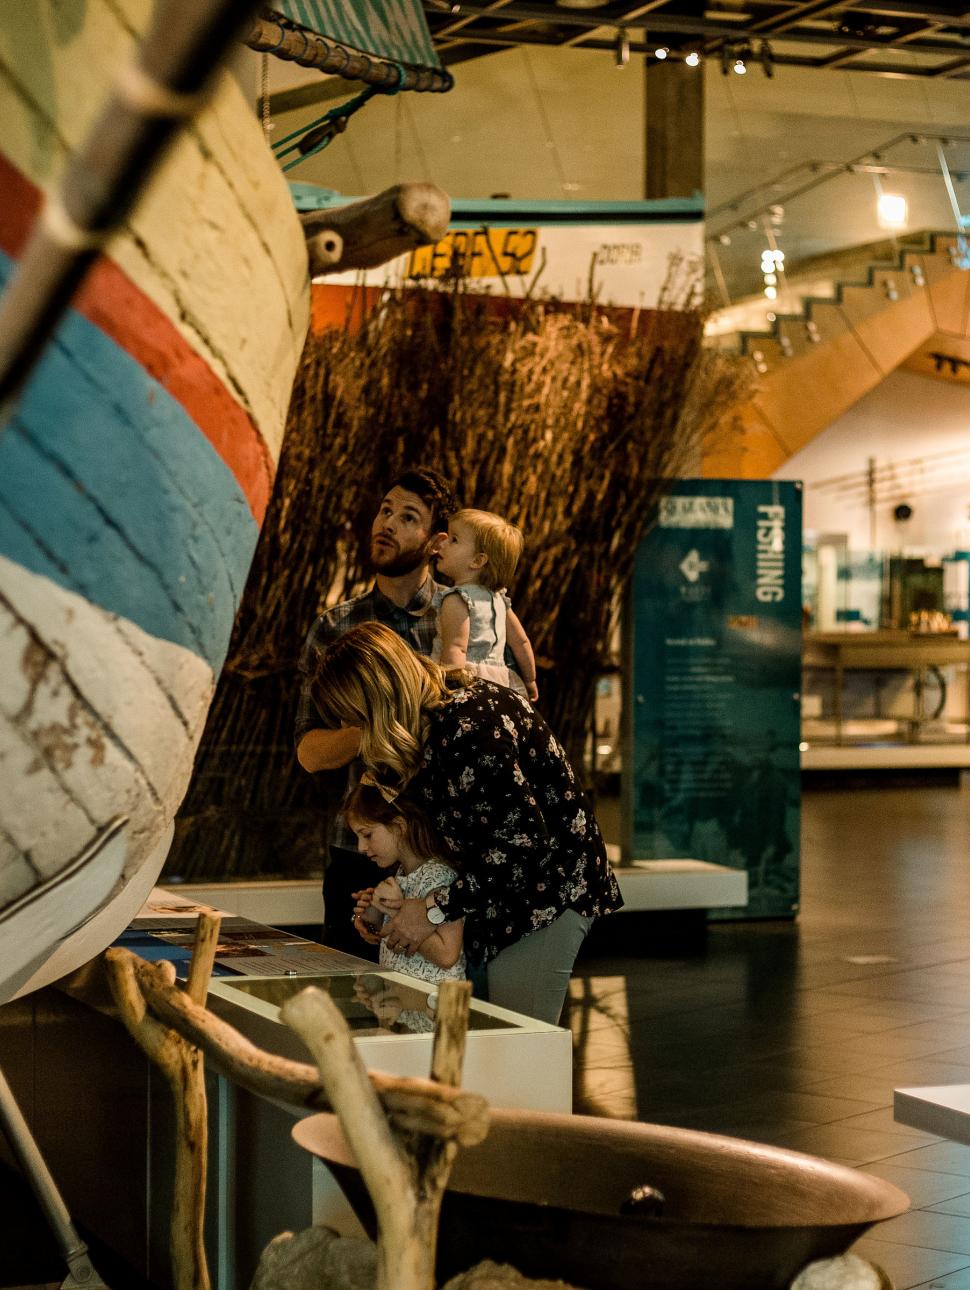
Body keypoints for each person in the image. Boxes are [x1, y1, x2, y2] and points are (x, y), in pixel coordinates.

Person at [309, 622, 623, 1025]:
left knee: (517, 1041)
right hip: (495, 892)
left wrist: (432, 909)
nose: (356, 733)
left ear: (379, 698)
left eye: (356, 719)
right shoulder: (434, 723)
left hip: (546, 895)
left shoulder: (471, 724)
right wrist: (398, 900)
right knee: (488, 1040)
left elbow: (522, 848)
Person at [294, 467, 459, 955]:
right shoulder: (335, 628)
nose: (386, 523)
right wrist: (383, 722)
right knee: (356, 1000)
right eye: (385, 510)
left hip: (443, 847)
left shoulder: (460, 618)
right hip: (359, 848)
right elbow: (308, 752)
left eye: (408, 517)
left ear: (436, 542)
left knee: (437, 995)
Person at [344, 782, 465, 985]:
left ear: (399, 827)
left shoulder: (441, 876)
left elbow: (447, 955)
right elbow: (394, 938)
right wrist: (373, 915)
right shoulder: (401, 875)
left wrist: (394, 913)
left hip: (433, 1009)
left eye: (367, 835)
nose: (361, 847)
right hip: (400, 1003)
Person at [432, 508, 539, 702]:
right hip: (502, 683)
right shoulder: (499, 599)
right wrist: (530, 680)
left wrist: (451, 693)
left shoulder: (456, 599)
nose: (443, 542)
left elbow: (456, 649)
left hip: (469, 683)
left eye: (454, 539)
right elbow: (522, 643)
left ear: (477, 560)